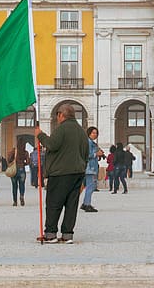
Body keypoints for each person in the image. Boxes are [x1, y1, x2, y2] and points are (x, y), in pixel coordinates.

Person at [34, 104, 89, 244]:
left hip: (60, 173)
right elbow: (86, 154)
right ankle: (67, 235)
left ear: (61, 115)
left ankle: (51, 234)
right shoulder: (82, 131)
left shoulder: (62, 129)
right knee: (71, 205)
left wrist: (40, 135)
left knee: (54, 203)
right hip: (78, 172)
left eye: (57, 115)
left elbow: (52, 144)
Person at [81, 126, 104, 213]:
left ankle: (85, 202)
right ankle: (87, 204)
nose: (95, 134)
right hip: (90, 168)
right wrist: (96, 154)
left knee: (89, 186)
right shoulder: (88, 142)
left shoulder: (92, 143)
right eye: (93, 133)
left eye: (96, 133)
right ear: (89, 133)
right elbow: (87, 155)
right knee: (90, 187)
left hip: (91, 167)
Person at [7, 140, 30, 207]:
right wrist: (23, 164)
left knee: (14, 186)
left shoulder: (14, 151)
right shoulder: (25, 152)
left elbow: (8, 159)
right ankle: (22, 196)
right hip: (21, 170)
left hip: (14, 170)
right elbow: (28, 161)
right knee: (22, 185)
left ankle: (15, 201)